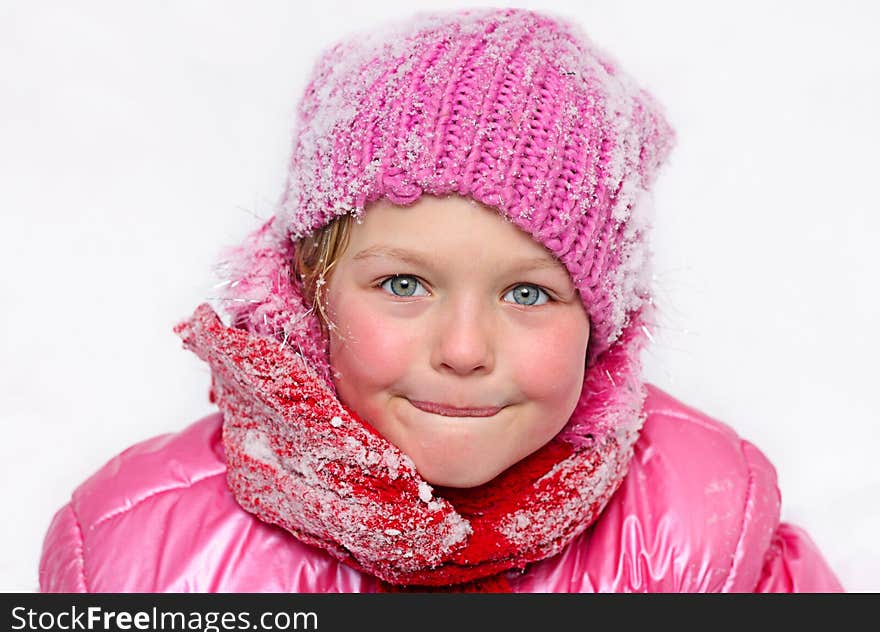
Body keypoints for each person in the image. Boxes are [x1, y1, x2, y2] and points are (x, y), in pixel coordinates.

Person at [39, 7, 843, 592]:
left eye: (528, 292)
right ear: (308, 295)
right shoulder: (133, 560)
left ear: (603, 326)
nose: (464, 349)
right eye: (403, 284)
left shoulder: (707, 541)